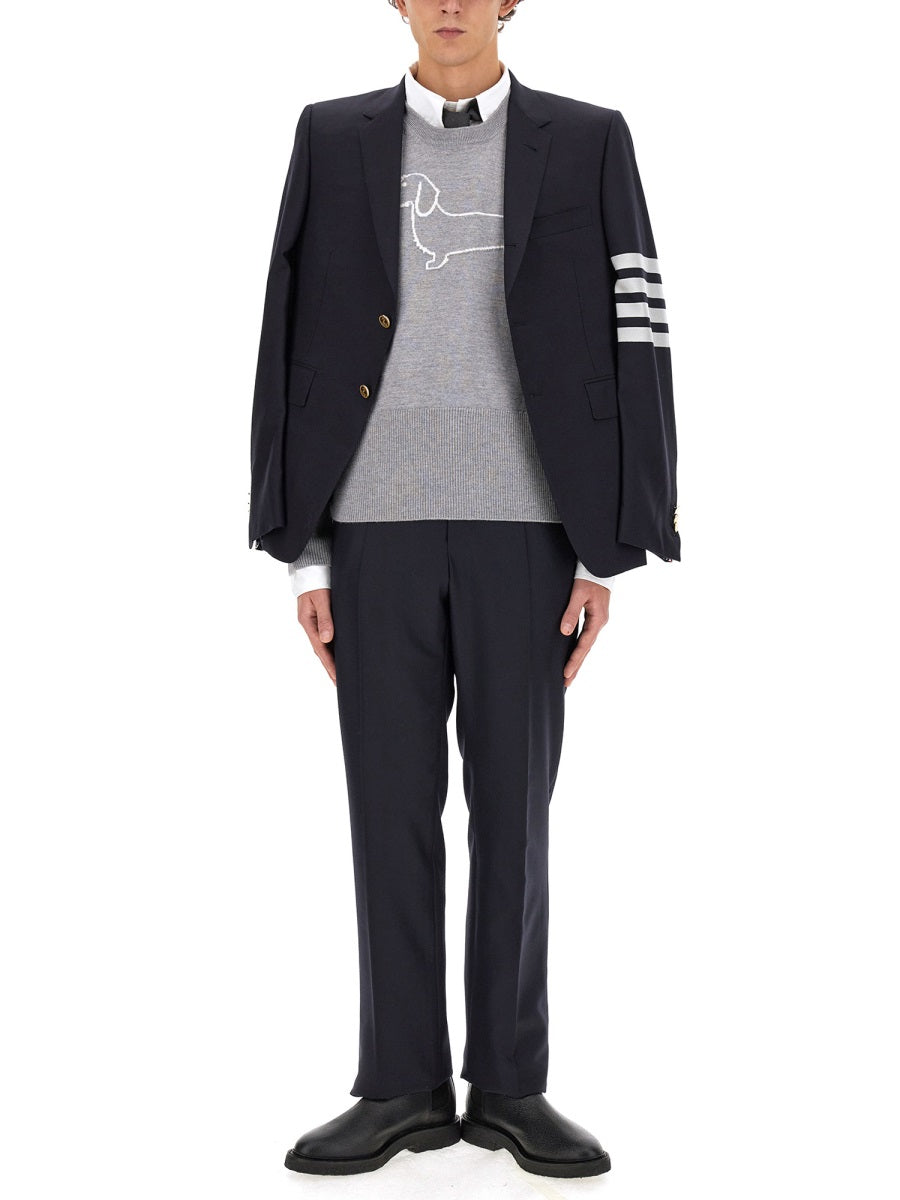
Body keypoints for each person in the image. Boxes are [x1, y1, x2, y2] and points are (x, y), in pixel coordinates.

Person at [247, 0, 680, 1179]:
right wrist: (305, 548)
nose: (449, 4)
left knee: (514, 817)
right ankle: (400, 1085)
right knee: (386, 813)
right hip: (372, 532)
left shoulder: (588, 138)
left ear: (508, 3)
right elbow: (290, 332)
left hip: (530, 532)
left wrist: (608, 547)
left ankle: (509, 1086)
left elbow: (638, 328)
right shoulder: (330, 136)